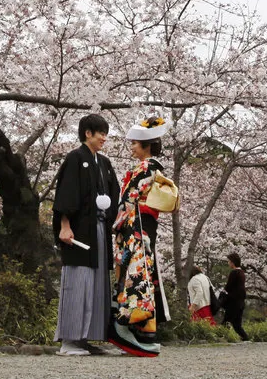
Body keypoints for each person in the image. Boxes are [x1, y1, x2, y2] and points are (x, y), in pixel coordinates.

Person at [52, 114, 120, 356]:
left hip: (100, 230)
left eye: (105, 132)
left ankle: (88, 338)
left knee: (98, 282)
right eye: (100, 132)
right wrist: (65, 225)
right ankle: (69, 340)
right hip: (79, 230)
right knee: (78, 281)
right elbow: (66, 195)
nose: (104, 137)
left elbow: (114, 193)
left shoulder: (104, 163)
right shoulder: (75, 158)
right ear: (87, 133)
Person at [111, 116, 172, 357]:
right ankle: (146, 331)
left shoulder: (147, 167)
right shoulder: (150, 167)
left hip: (138, 225)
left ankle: (135, 324)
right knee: (143, 273)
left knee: (138, 274)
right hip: (143, 224)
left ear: (146, 145)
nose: (132, 147)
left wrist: (116, 222)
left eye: (135, 143)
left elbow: (129, 200)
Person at [222, 252, 249, 341]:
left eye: (229, 261)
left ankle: (220, 337)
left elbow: (228, 287)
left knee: (226, 321)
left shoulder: (234, 272)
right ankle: (245, 337)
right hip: (240, 301)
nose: (228, 263)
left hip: (233, 302)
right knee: (237, 324)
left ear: (233, 262)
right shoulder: (241, 272)